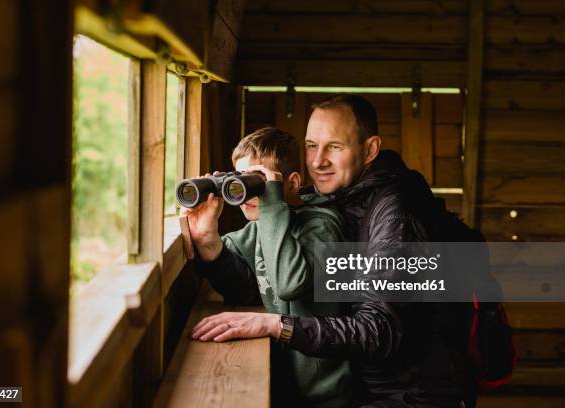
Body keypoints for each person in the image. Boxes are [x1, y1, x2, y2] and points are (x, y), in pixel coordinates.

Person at [194, 95, 475, 408]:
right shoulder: (340, 198)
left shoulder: (397, 214)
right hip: (370, 386)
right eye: (312, 145)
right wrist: (208, 241)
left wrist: (277, 326)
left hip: (410, 396)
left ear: (369, 150)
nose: (317, 161)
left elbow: (379, 330)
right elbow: (267, 286)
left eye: (334, 147)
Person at [185, 127, 355, 407]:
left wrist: (272, 206)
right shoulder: (260, 228)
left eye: (257, 181)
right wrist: (207, 240)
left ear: (291, 183)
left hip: (323, 396)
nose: (246, 192)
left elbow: (289, 284)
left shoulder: (322, 227)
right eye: (239, 181)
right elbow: (244, 289)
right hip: (284, 383)